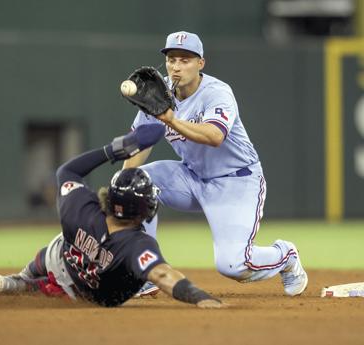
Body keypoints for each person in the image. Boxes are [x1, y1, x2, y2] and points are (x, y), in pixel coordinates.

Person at [124, 31, 308, 297]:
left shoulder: (217, 92)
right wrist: (123, 183)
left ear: (201, 63)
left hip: (236, 180)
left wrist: (170, 119)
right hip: (192, 177)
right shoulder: (158, 93)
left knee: (233, 265)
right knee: (136, 182)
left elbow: (214, 136)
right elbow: (142, 140)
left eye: (185, 59)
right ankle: (148, 272)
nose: (177, 66)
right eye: (172, 59)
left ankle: (286, 255)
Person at [0, 124, 223, 308]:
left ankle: (17, 279)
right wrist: (201, 298)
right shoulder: (136, 245)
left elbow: (68, 170)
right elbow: (162, 275)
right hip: (80, 291)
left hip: (57, 256)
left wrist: (116, 149)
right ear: (141, 210)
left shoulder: (82, 207)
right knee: (53, 288)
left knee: (51, 255)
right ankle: (20, 284)